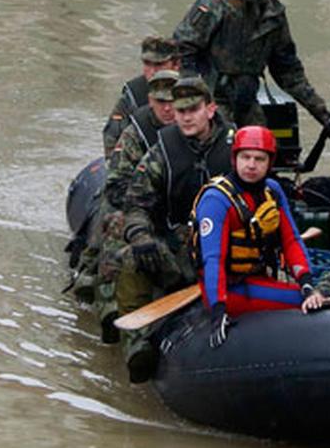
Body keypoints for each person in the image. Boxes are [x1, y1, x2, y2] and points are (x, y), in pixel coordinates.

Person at [115, 76, 237, 382]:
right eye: (180, 110)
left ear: (210, 109)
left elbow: (265, 197)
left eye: (192, 109)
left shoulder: (236, 149)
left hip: (228, 252)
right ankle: (138, 344)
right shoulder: (163, 151)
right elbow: (136, 202)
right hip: (179, 252)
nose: (184, 116)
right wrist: (141, 237)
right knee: (131, 257)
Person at [172, 0, 330, 133]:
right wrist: (193, 98)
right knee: (222, 146)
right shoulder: (218, 2)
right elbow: (182, 48)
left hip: (247, 100)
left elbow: (288, 70)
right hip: (213, 99)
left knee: (261, 146)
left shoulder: (274, 14)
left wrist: (320, 111)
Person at [73, 68, 179, 317]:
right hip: (138, 203)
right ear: (151, 101)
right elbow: (117, 184)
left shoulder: (196, 130)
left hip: (181, 208)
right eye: (161, 102)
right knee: (116, 219)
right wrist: (144, 210)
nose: (168, 109)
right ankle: (103, 291)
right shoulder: (135, 132)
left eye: (173, 102)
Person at [193, 126, 314, 342]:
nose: (251, 165)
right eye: (245, 157)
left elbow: (291, 240)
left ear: (269, 162)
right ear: (234, 159)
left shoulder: (273, 191)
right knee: (301, 300)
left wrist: (306, 281)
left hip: (258, 278)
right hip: (231, 289)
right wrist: (218, 309)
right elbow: (213, 260)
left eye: (259, 159)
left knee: (311, 295)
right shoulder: (217, 200)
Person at [103, 36, 180, 155]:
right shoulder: (134, 94)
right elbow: (112, 134)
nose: (153, 71)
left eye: (159, 64)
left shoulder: (192, 90)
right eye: (147, 64)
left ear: (176, 64)